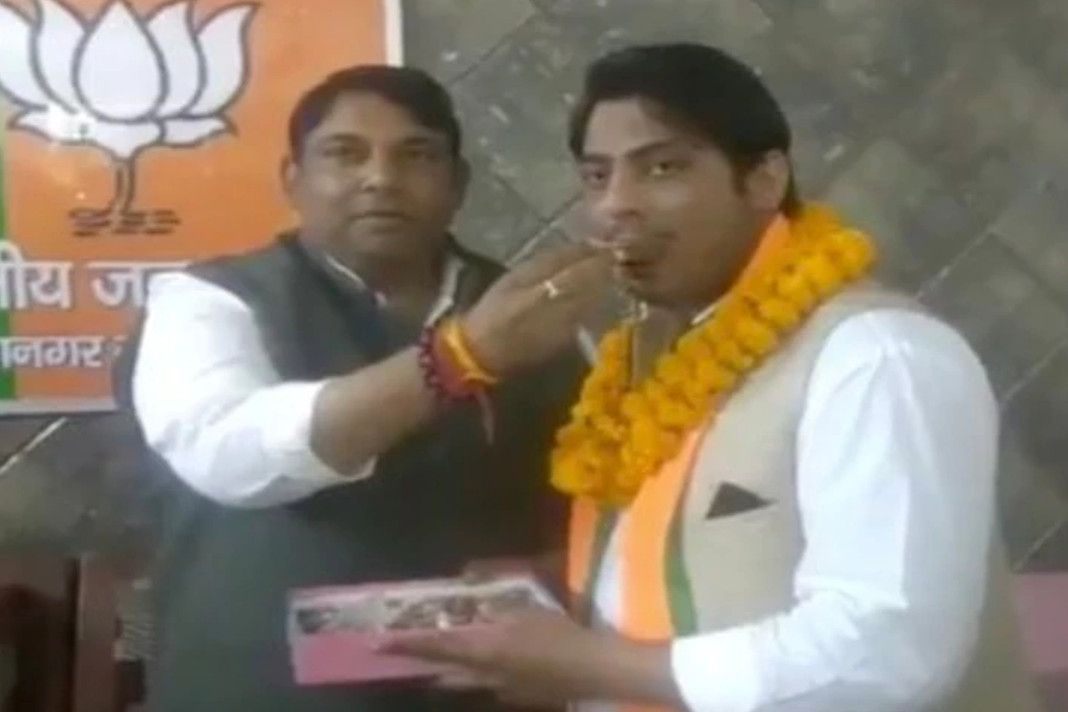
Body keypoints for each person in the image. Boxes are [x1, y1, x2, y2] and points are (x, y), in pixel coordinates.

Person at [383, 43, 1043, 712]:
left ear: (764, 179)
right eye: (596, 176)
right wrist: (556, 585)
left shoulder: (877, 357)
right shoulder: (646, 354)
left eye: (662, 168)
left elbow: (887, 650)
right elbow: (702, 551)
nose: (616, 205)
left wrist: (588, 667)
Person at [114, 65, 604, 711]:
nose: (381, 178)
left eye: (416, 155)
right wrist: (459, 358)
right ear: (293, 180)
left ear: (457, 184)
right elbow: (227, 453)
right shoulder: (208, 302)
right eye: (345, 154)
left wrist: (556, 570)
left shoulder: (532, 312)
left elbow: (608, 507)